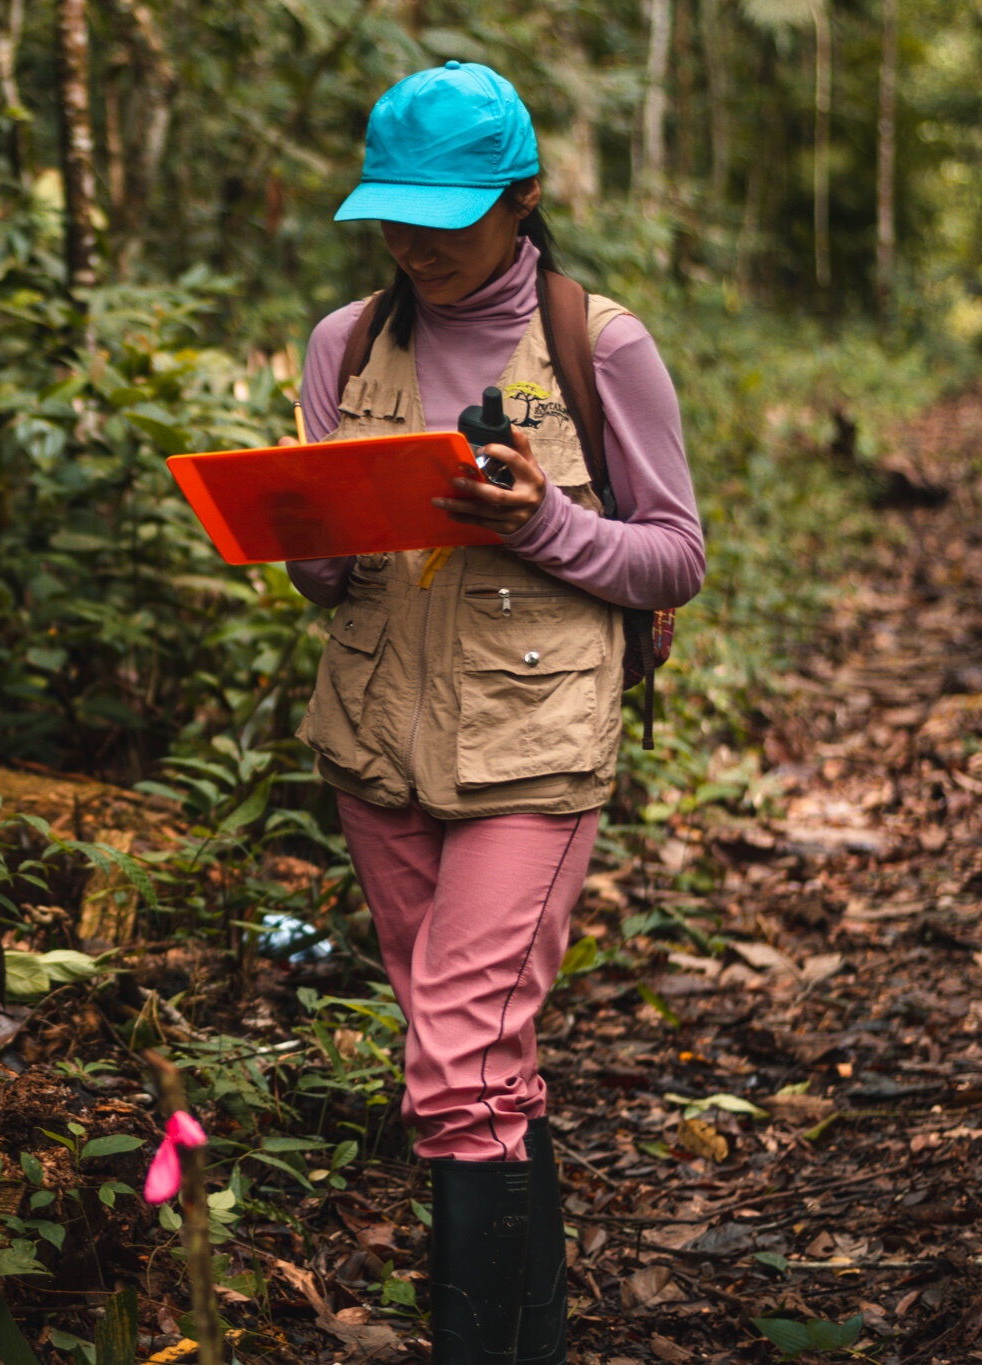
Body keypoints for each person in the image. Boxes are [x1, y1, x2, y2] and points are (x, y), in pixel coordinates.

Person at [285, 64, 705, 1364]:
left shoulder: (602, 346)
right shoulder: (343, 344)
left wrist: (545, 523)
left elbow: (675, 557)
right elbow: (320, 574)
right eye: (394, 217)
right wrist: (313, 534)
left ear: (520, 200)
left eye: (446, 217)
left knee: (457, 1066)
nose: (414, 243)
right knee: (467, 1060)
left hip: (532, 752)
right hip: (375, 749)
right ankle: (531, 1333)